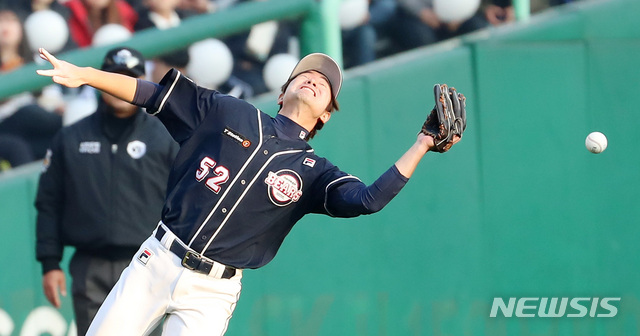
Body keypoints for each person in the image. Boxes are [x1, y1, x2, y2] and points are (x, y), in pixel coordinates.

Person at [36, 47, 462, 335]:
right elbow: (153, 94)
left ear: (327, 116)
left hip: (213, 290)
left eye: (325, 84)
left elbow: (368, 200)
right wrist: (87, 75)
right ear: (282, 91)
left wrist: (422, 144)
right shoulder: (230, 112)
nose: (314, 80)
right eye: (306, 74)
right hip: (158, 259)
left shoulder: (314, 172)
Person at [35, 47, 178, 335]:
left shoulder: (166, 137)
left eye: (130, 77)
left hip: (150, 261)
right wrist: (50, 263)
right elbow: (49, 203)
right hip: (91, 264)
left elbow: (185, 202)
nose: (120, 84)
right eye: (114, 76)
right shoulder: (71, 137)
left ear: (143, 81)